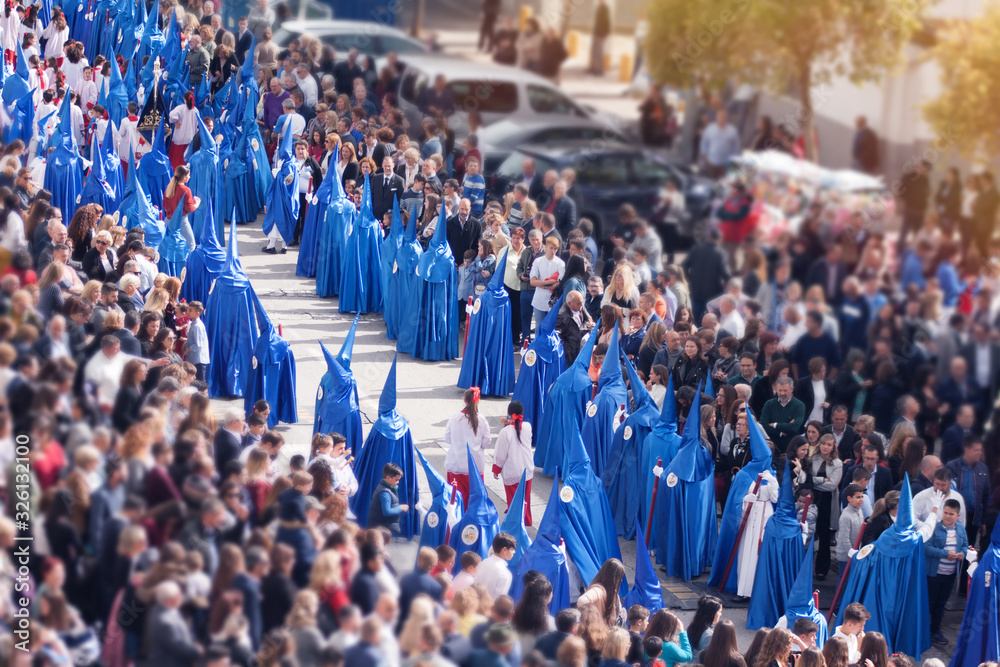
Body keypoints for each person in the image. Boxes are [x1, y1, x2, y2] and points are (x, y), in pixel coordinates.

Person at [924, 498, 968, 645]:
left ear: (958, 516)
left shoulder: (960, 529)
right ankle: (923, 631)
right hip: (934, 574)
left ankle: (935, 631)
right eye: (945, 513)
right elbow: (926, 547)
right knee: (929, 603)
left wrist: (962, 553)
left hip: (950, 575)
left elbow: (965, 545)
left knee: (941, 604)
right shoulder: (934, 528)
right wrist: (945, 554)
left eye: (951, 514)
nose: (947, 516)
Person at [444, 388, 492, 508]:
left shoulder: (454, 418)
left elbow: (447, 438)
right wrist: (478, 448)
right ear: (478, 401)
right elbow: (487, 441)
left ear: (464, 399)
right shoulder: (481, 419)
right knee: (475, 502)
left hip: (456, 464)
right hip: (475, 466)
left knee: (456, 501)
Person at [492, 401, 534, 525]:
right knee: (525, 499)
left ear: (509, 414)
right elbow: (517, 429)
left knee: (513, 502)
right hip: (527, 470)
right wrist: (509, 422)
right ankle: (525, 521)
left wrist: (496, 469)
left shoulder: (505, 432)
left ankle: (515, 525)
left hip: (512, 471)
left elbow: (500, 454)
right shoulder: (528, 427)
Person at [366, 463, 409, 534]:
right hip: (379, 529)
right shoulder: (385, 493)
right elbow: (387, 512)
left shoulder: (384, 487)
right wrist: (400, 508)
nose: (398, 482)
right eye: (396, 480)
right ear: (388, 478)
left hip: (379, 527)